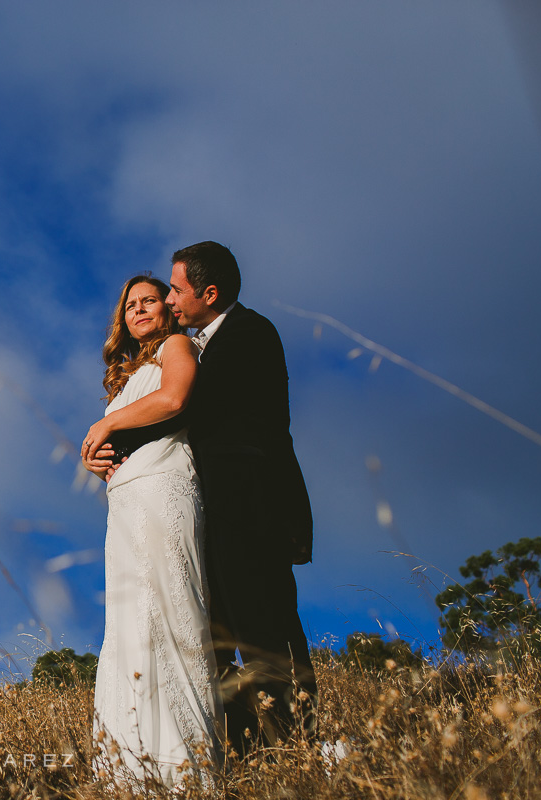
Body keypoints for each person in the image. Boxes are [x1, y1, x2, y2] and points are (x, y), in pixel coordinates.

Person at [163, 241, 316, 755]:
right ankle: (244, 751)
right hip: (212, 519)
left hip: (252, 513)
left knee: (266, 632)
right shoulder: (197, 344)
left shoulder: (251, 333)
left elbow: (204, 413)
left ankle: (293, 747)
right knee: (218, 640)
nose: (167, 300)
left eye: (177, 290)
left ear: (210, 292)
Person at [81, 274, 222, 787]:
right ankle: (129, 769)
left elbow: (175, 399)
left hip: (166, 492)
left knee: (168, 615)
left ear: (167, 307)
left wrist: (105, 427)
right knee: (127, 625)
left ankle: (185, 770)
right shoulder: (124, 375)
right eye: (130, 306)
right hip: (126, 503)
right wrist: (100, 460)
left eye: (149, 301)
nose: (139, 310)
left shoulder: (178, 346)